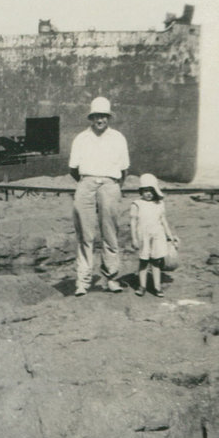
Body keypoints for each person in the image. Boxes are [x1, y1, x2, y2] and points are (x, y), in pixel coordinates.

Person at [68, 96, 130, 296]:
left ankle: (111, 277)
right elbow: (73, 169)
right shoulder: (81, 138)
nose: (100, 120)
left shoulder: (118, 138)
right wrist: (88, 182)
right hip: (86, 183)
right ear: (91, 118)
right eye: (96, 116)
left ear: (108, 117)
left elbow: (124, 169)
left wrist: (112, 185)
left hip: (110, 184)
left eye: (103, 116)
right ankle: (83, 281)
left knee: (110, 233)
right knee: (85, 235)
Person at [130, 173, 179, 297]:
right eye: (146, 191)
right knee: (144, 261)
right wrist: (134, 238)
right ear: (141, 191)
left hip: (157, 235)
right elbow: (133, 222)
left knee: (156, 262)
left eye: (151, 191)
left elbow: (163, 221)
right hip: (143, 236)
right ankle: (142, 286)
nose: (148, 194)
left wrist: (170, 235)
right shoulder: (137, 204)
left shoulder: (159, 204)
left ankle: (157, 287)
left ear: (155, 191)